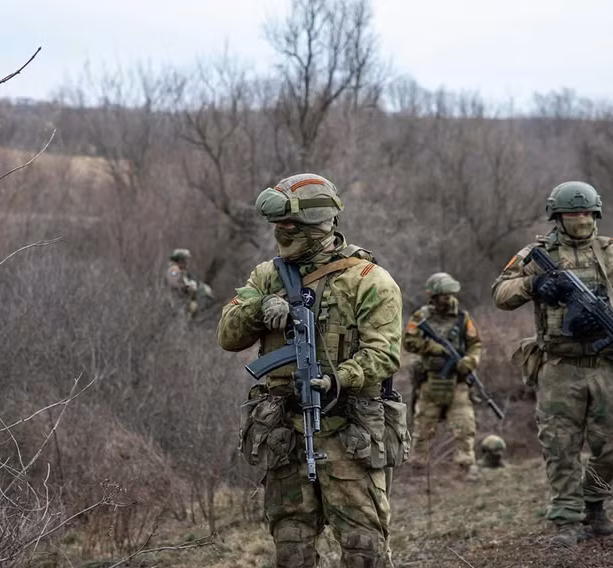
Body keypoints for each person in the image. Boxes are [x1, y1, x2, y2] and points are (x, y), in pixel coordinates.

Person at [218, 173, 403, 568]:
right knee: (291, 547)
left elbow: (384, 354)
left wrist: (339, 379)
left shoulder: (368, 281)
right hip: (284, 433)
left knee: (363, 548)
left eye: (288, 226)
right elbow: (228, 335)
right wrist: (262, 306)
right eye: (277, 226)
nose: (279, 234)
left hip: (350, 431)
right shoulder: (268, 275)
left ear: (317, 225)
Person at [492, 181, 613, 547]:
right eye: (571, 214)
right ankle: (566, 522)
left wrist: (612, 311)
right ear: (556, 217)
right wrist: (535, 285)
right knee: (560, 446)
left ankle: (594, 507)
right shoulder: (537, 253)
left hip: (609, 362)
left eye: (585, 213)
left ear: (596, 213)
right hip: (559, 365)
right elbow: (500, 293)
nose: (579, 219)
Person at [402, 272, 482, 481]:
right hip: (430, 380)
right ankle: (418, 468)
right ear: (434, 296)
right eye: (444, 295)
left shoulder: (463, 318)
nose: (448, 299)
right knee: (423, 426)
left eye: (450, 294)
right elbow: (409, 342)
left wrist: (470, 361)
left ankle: (466, 466)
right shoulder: (421, 317)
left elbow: (475, 345)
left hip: (457, 382)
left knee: (464, 425)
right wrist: (433, 347)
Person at [165, 248, 213, 316]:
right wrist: (187, 287)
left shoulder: (182, 271)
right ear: (180, 260)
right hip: (175, 302)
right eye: (185, 260)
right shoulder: (174, 270)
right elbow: (174, 284)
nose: (187, 263)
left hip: (182, 301)